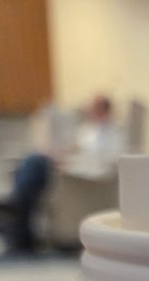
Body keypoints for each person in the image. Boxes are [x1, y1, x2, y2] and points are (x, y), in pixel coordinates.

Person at [6, 94, 123, 255]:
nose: (89, 111)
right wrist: (59, 155)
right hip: (68, 170)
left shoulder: (114, 133)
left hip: (83, 176)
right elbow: (75, 149)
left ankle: (22, 236)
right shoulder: (87, 130)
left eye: (94, 107)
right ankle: (21, 231)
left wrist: (72, 161)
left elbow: (104, 161)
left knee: (32, 167)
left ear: (104, 109)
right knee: (33, 162)